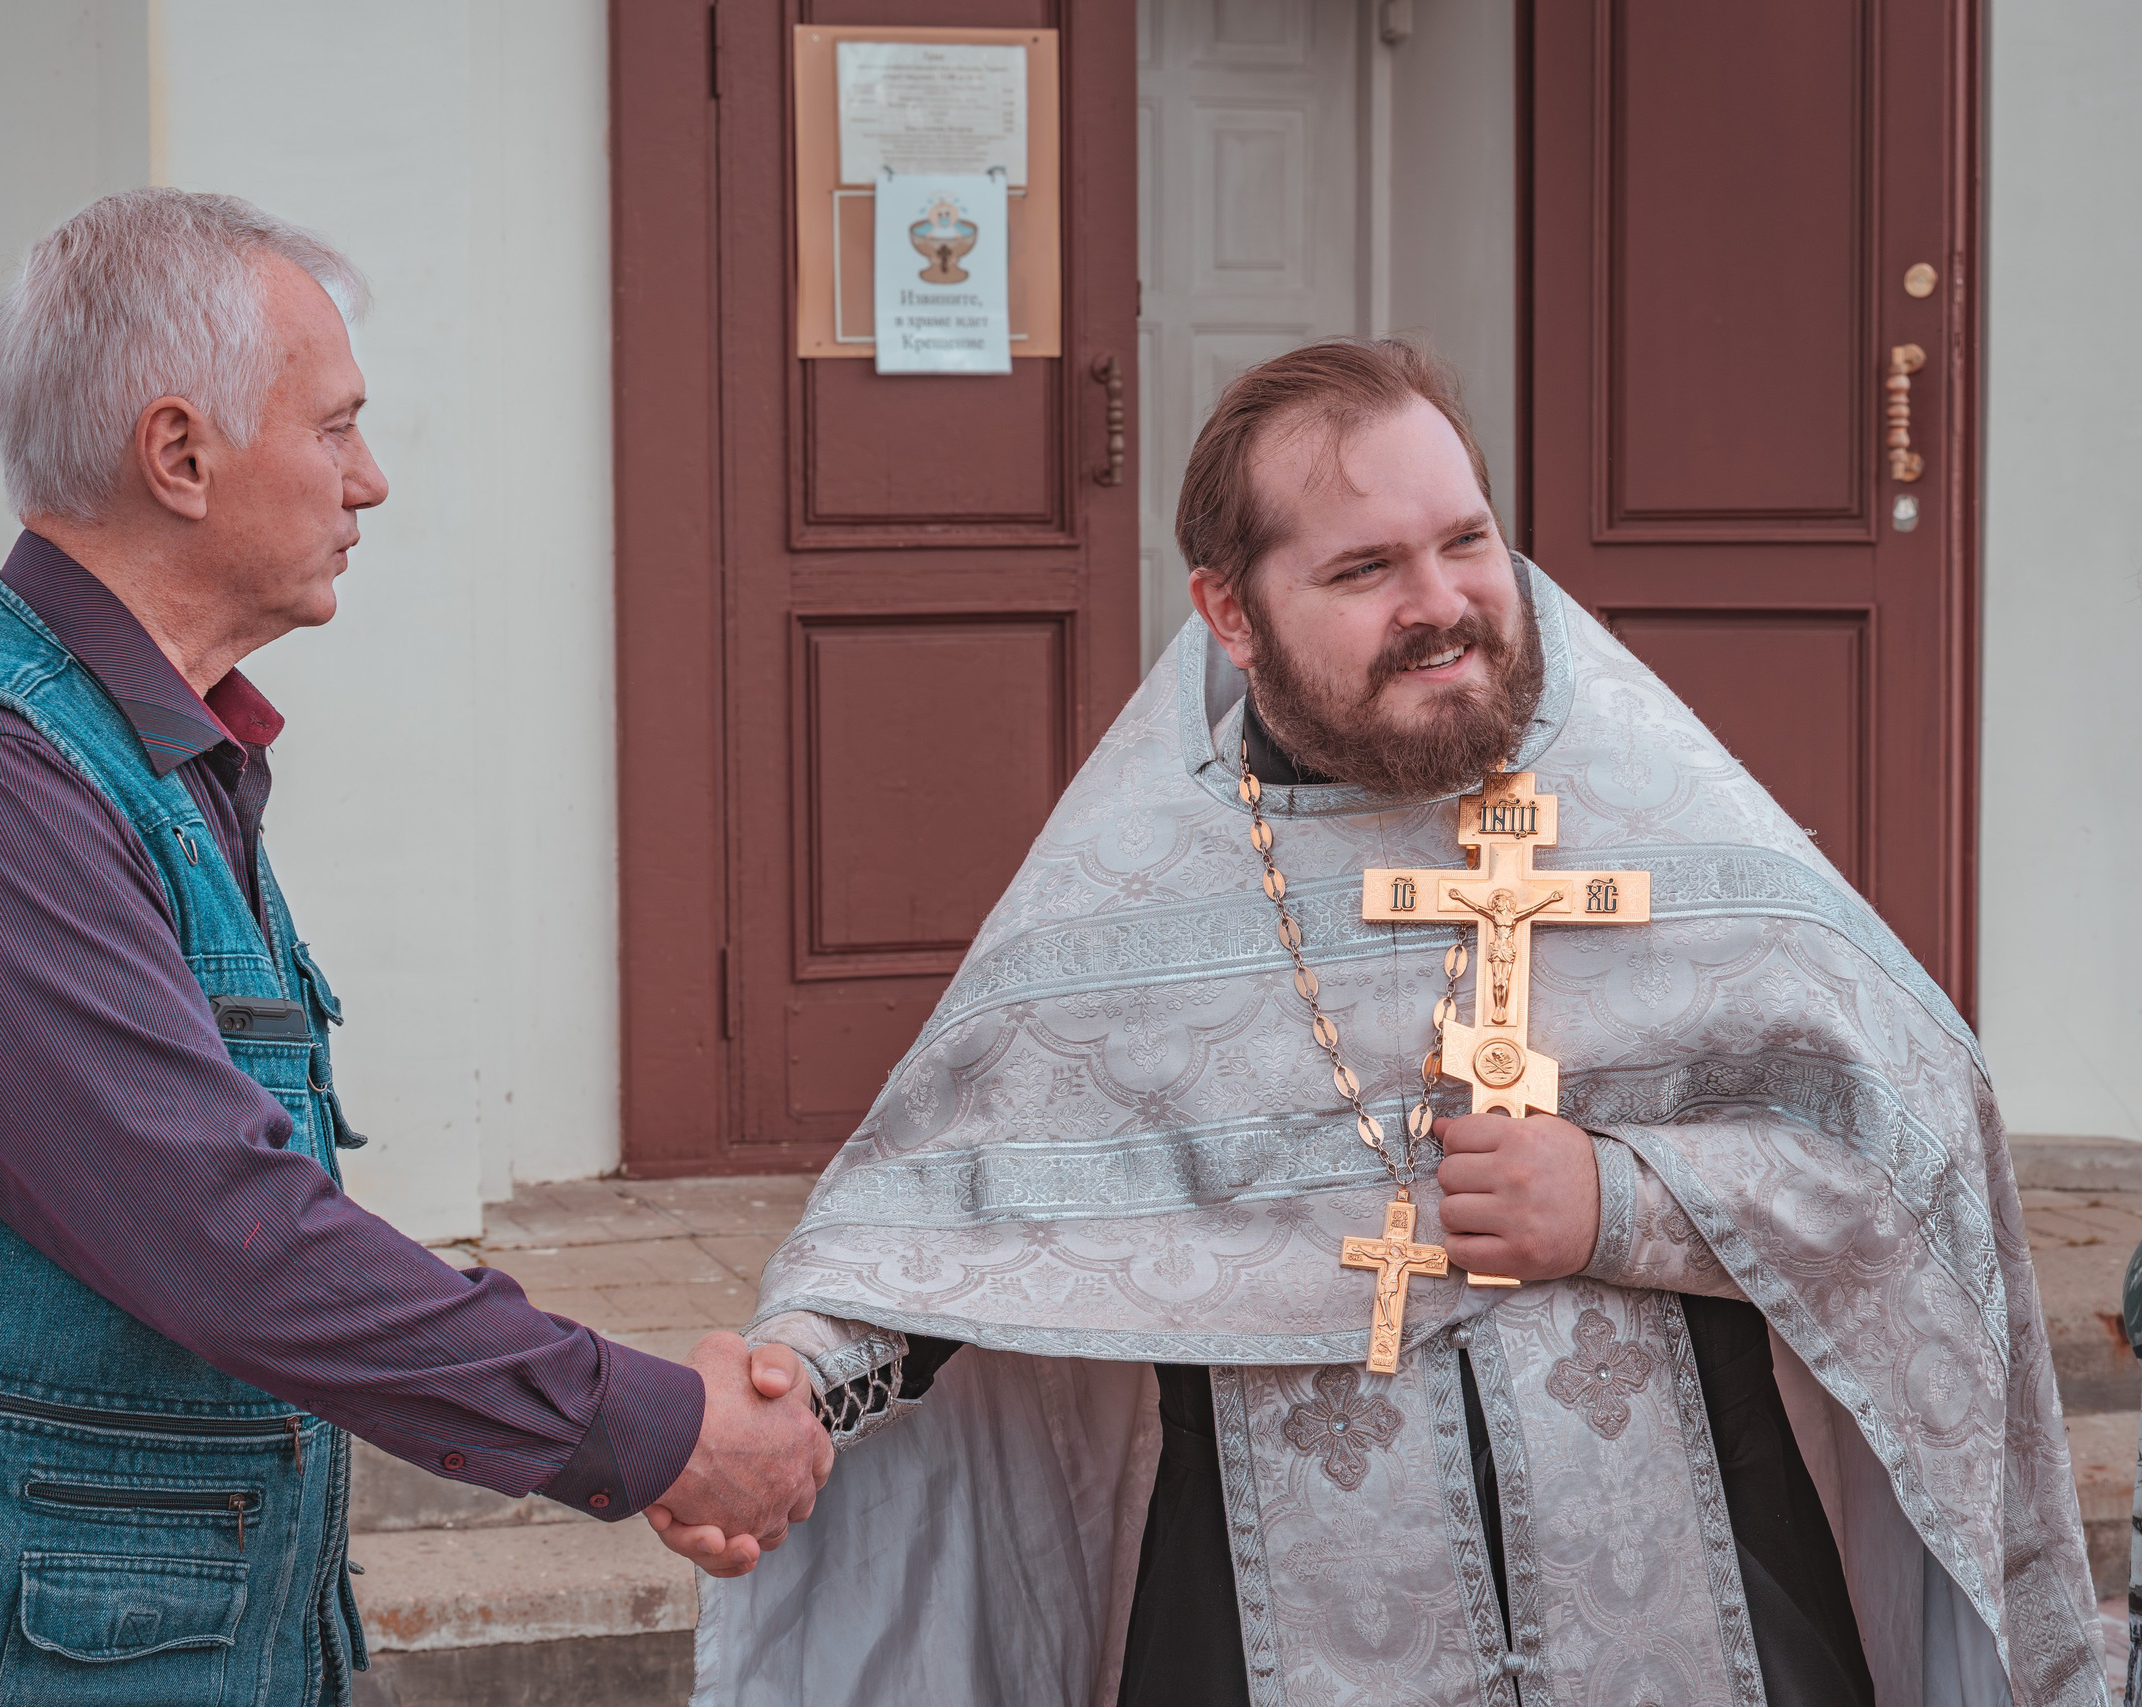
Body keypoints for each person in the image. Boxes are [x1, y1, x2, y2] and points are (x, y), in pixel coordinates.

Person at [685, 340, 2106, 1707]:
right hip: (1259, 1631)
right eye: (1366, 568)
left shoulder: (1679, 842)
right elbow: (954, 1216)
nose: (1444, 602)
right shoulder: (1125, 905)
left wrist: (1619, 1202)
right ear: (1230, 614)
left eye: (1468, 542)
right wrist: (790, 1386)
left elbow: (1910, 1162)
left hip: (1704, 1597)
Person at [0, 189, 827, 1706]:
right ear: (180, 455)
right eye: (336, 426)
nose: (374, 480)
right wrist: (648, 1423)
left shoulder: (138, 759)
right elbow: (224, 1230)